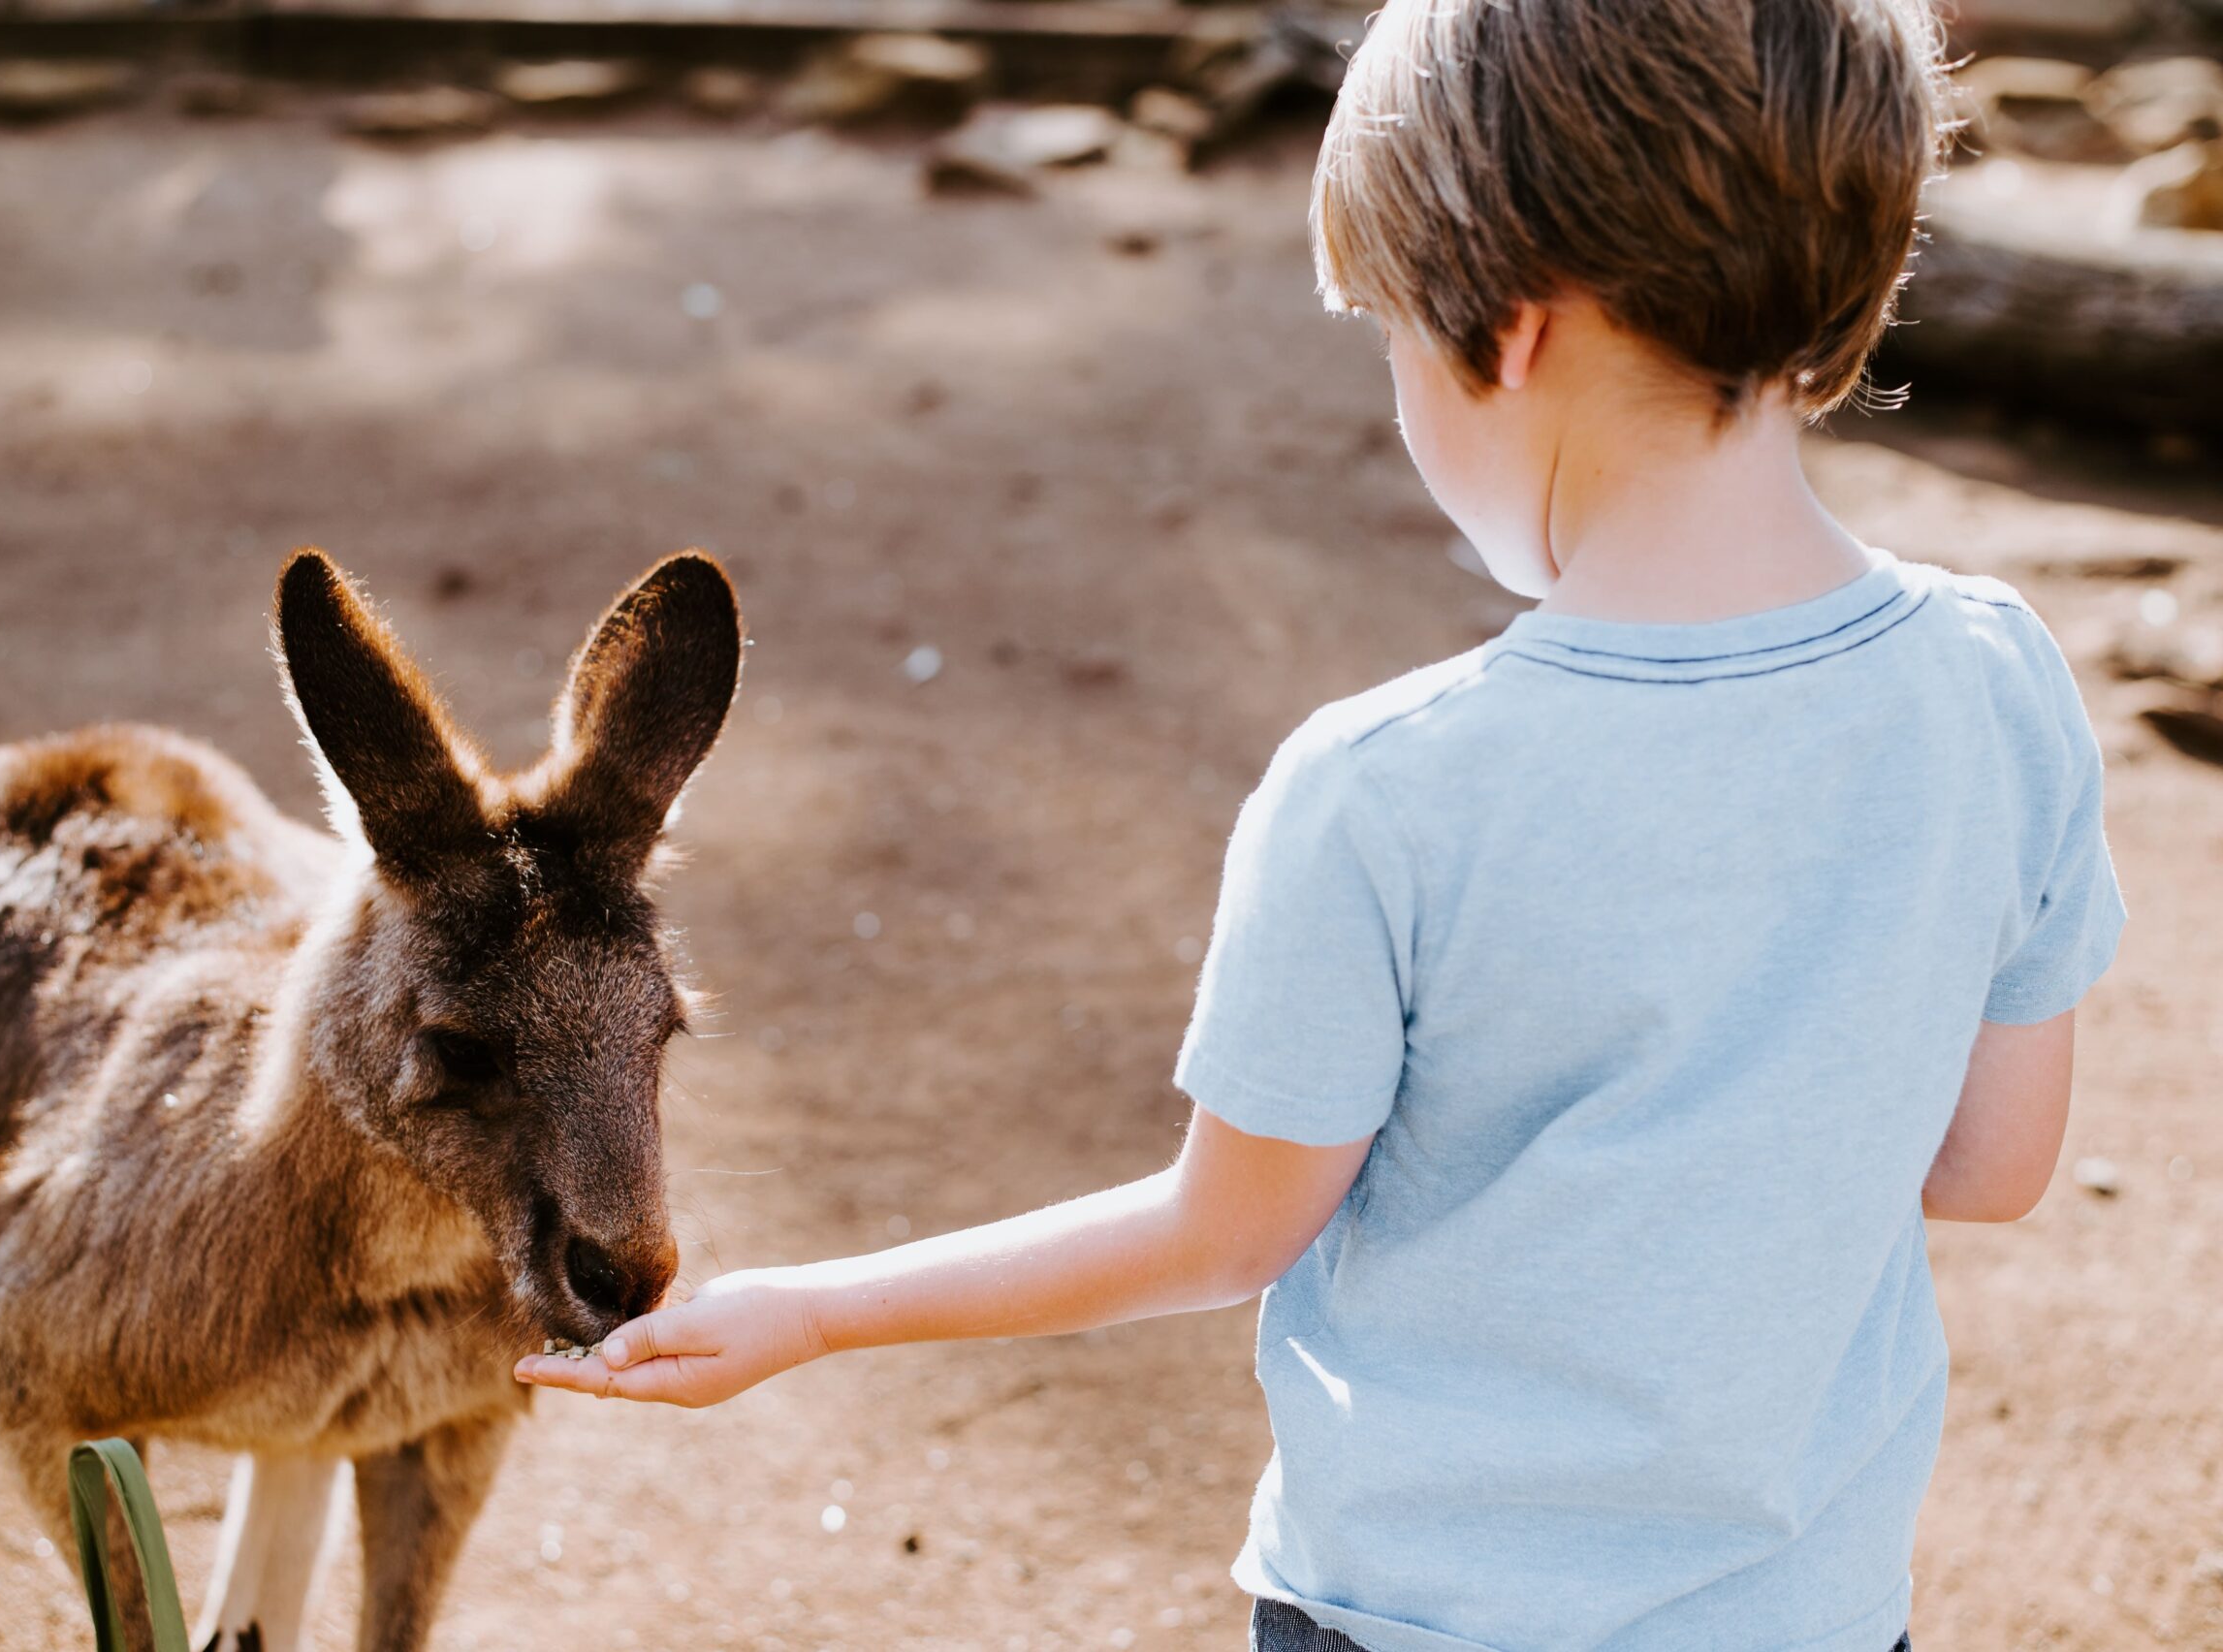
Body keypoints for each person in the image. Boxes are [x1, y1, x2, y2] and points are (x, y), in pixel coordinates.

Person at [517, 2, 2127, 1645]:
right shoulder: (1993, 680)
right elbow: (1993, 1167)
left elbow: (1226, 1230)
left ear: (1504, 332)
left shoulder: (1390, 787)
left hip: (1409, 1618)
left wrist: (815, 1312)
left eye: (1393, 339)